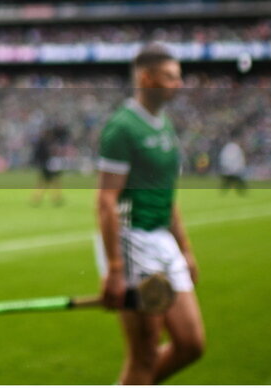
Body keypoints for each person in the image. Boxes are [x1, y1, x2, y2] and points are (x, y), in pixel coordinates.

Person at [95, 43, 205, 384]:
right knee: (143, 354)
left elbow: (168, 196)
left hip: (162, 240)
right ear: (147, 77)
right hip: (132, 243)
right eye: (171, 77)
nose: (179, 83)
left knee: (191, 344)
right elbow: (106, 201)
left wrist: (184, 248)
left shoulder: (164, 126)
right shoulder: (122, 128)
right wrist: (115, 269)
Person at [30, 125, 66, 207]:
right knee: (48, 182)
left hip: (48, 165)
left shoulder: (46, 142)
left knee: (47, 182)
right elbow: (41, 154)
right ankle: (41, 198)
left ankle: (40, 198)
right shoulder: (44, 143)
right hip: (47, 165)